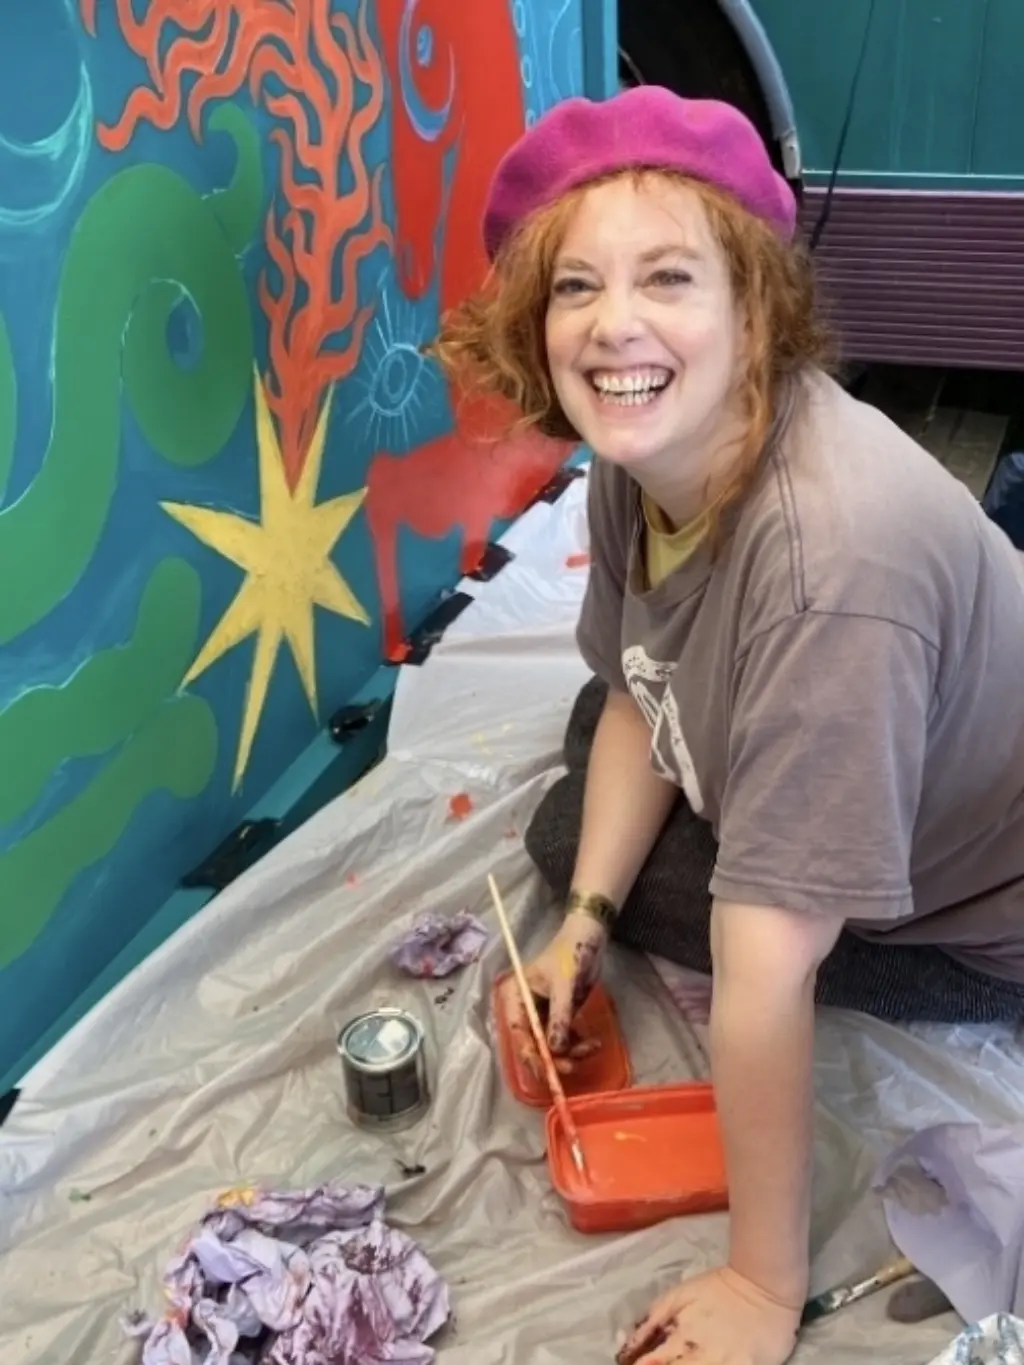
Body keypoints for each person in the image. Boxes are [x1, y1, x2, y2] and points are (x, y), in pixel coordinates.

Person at [433, 85, 1024, 1365]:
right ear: (534, 330)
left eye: (667, 278)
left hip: (978, 905)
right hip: (896, 733)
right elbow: (642, 699)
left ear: (755, 308)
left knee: (661, 883)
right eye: (574, 288)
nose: (614, 327)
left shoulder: (831, 568)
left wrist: (761, 1287)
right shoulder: (639, 461)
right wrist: (582, 929)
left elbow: (757, 983)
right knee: (588, 788)